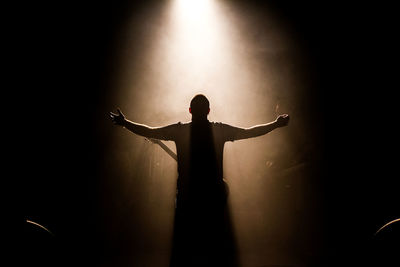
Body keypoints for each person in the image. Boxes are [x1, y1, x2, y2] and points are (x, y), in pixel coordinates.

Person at [110, 94, 289, 267]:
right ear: (209, 110)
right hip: (213, 197)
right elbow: (249, 132)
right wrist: (275, 124)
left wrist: (125, 123)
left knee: (185, 248)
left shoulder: (179, 130)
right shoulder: (220, 130)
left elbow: (149, 130)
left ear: (189, 110)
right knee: (215, 246)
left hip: (188, 199)